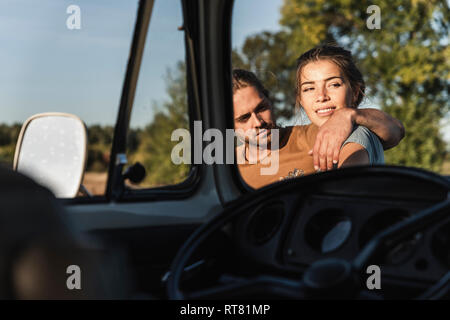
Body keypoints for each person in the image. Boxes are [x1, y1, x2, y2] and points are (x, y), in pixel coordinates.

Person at [234, 45, 405, 189]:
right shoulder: (221, 166)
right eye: (244, 118)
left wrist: (349, 114)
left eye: (261, 108)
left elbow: (395, 130)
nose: (257, 122)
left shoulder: (332, 135)